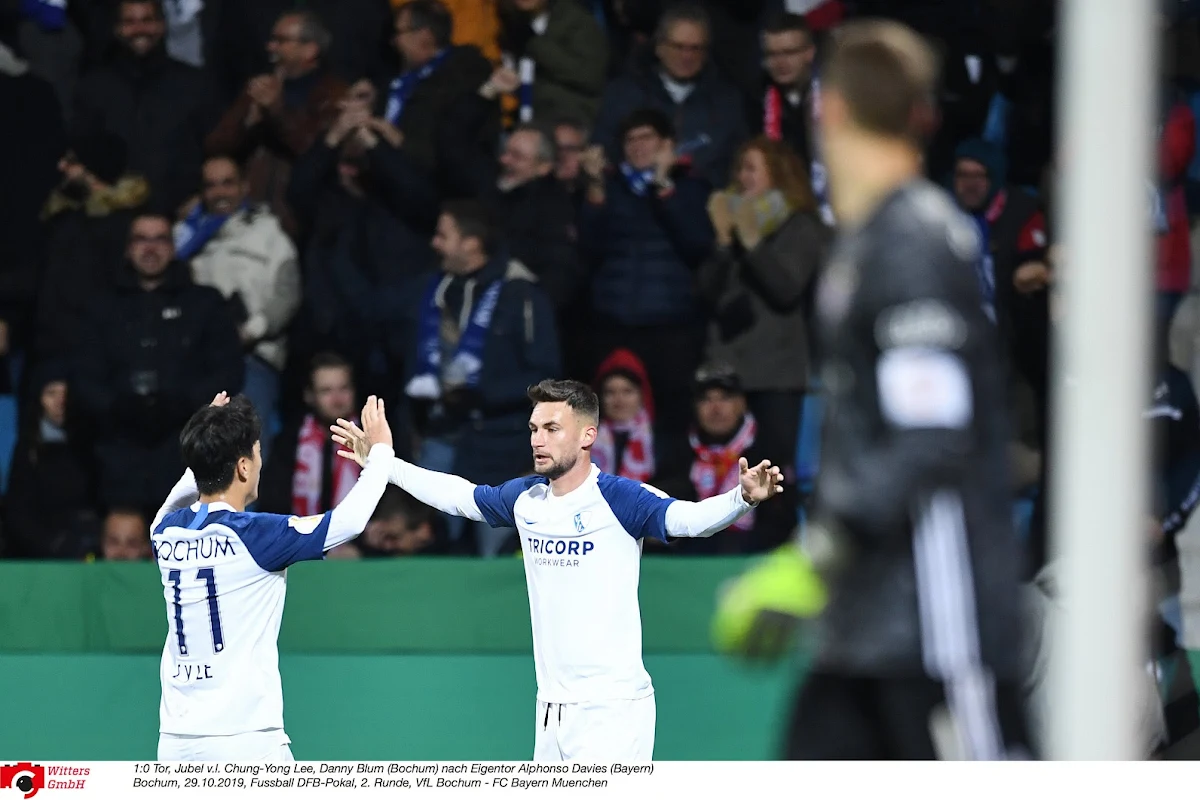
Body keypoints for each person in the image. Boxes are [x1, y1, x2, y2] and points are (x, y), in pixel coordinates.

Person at [712, 20, 1031, 760]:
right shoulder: (870, 240)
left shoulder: (911, 242)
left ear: (828, 110)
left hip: (935, 619)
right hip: (861, 626)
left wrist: (815, 556)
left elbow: (931, 435)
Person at [330, 378, 782, 761]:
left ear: (587, 436)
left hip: (613, 711)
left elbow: (689, 521)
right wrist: (383, 462)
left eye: (551, 428)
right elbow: (458, 495)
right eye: (533, 428)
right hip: (550, 712)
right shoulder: (527, 499)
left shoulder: (622, 498)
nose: (536, 440)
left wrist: (739, 498)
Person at [151, 391, 394, 761]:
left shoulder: (166, 536)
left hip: (175, 743)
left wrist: (204, 450)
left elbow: (166, 512)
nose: (261, 463)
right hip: (245, 741)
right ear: (244, 467)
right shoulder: (255, 536)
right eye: (257, 453)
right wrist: (381, 456)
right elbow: (349, 522)